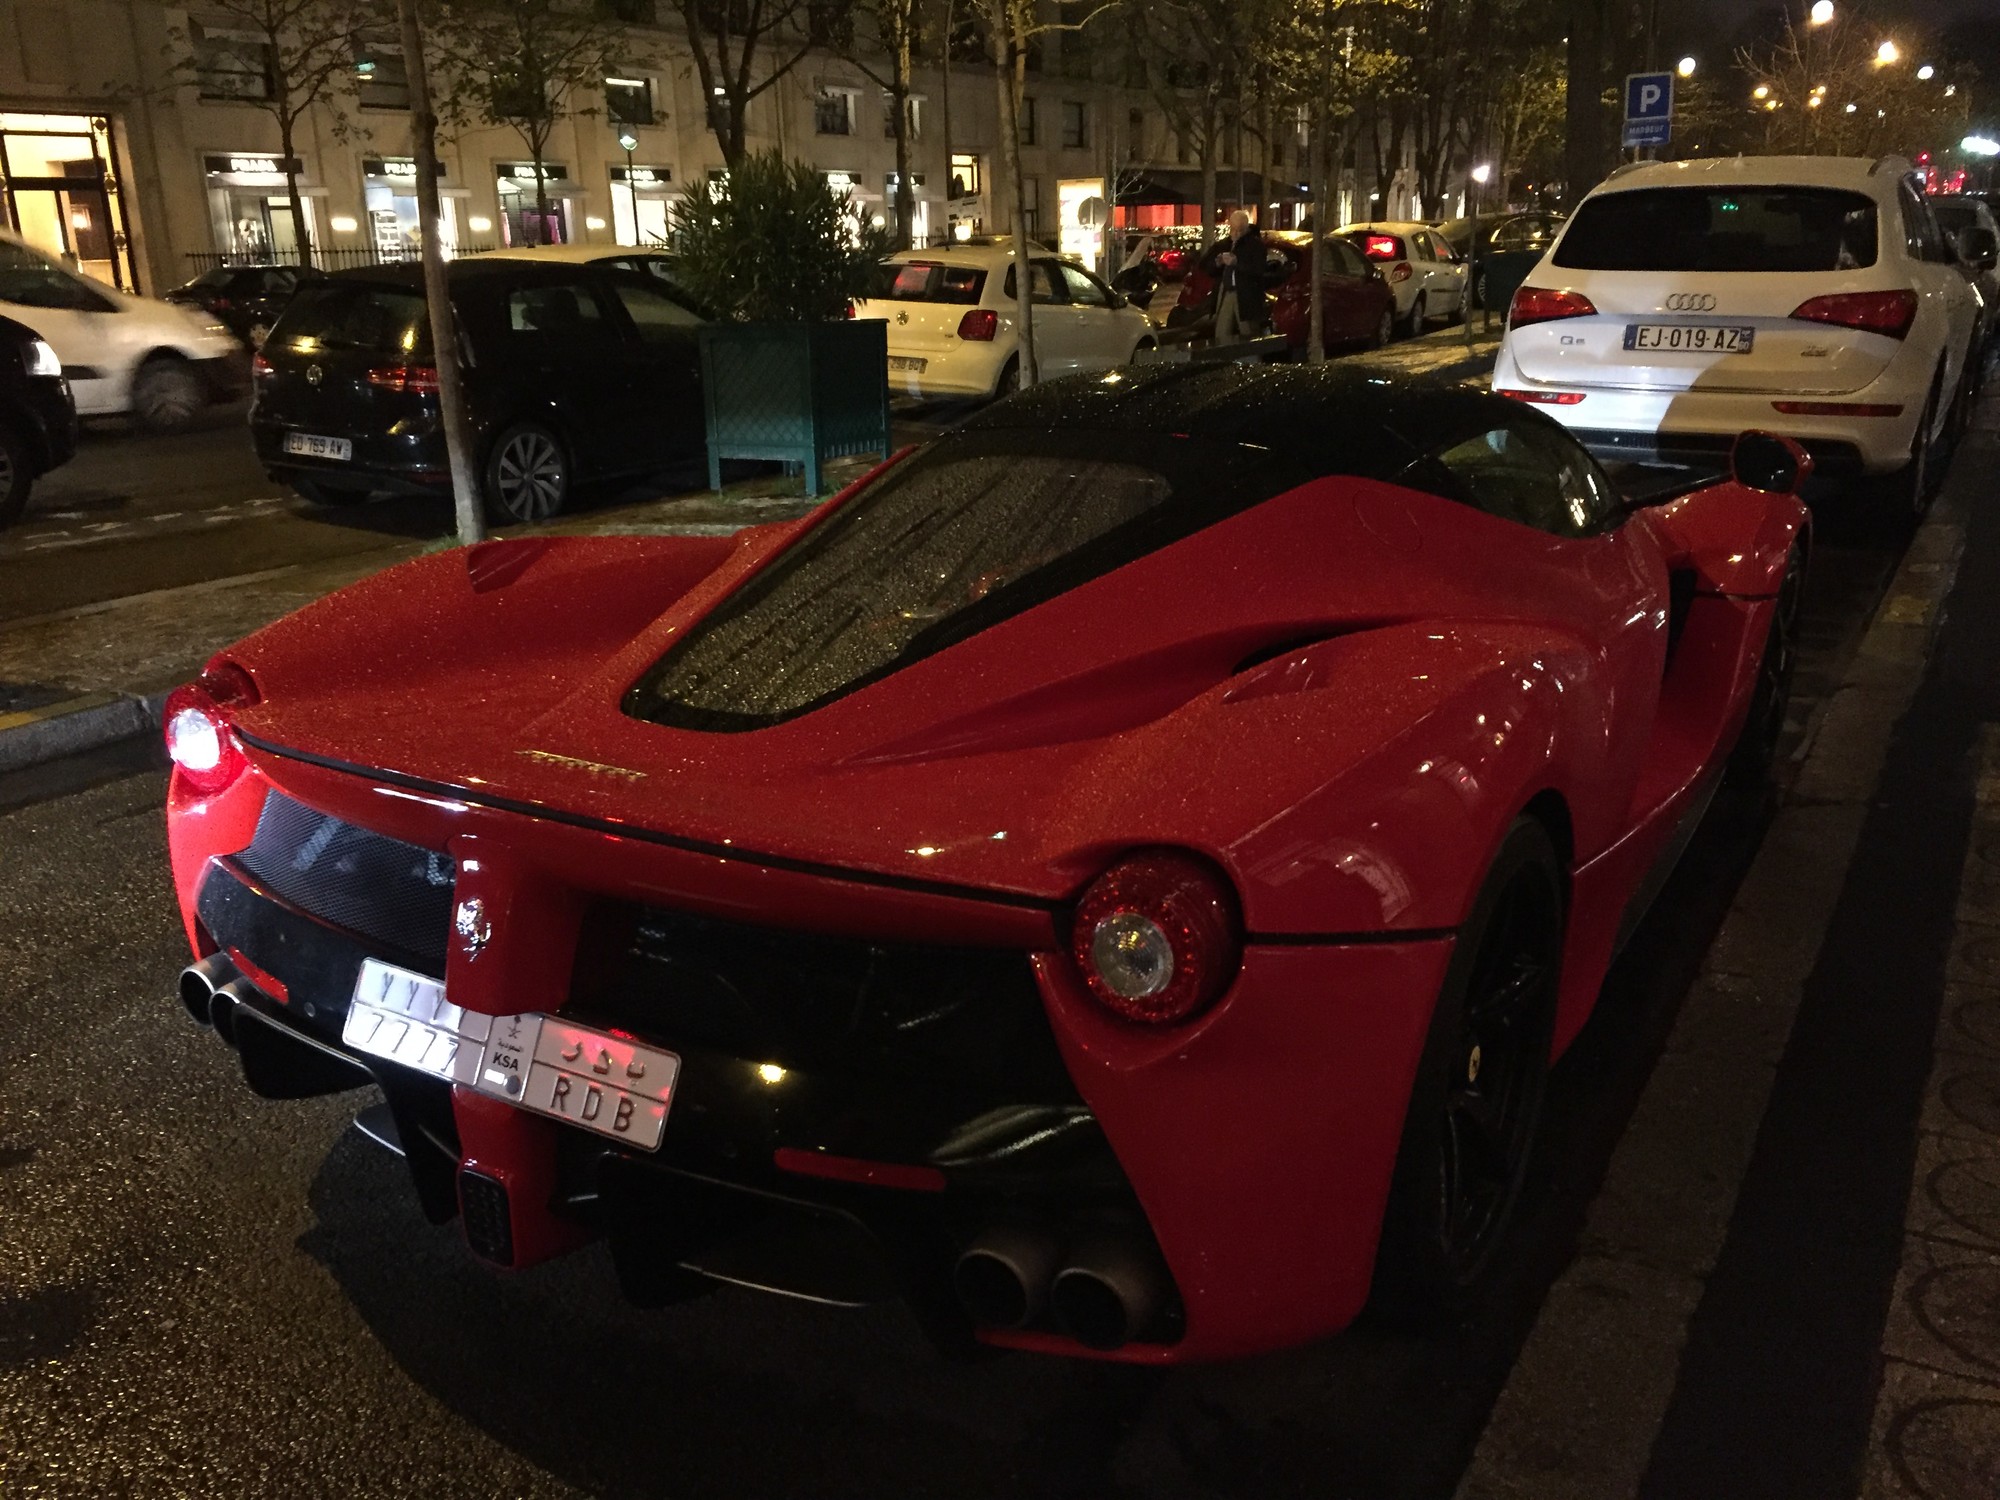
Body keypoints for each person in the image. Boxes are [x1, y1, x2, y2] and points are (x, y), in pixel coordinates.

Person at [1209, 210, 1267, 344]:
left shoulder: (1255, 245)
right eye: (1233, 229)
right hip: (1228, 290)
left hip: (1246, 294)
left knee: (1248, 333)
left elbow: (1258, 270)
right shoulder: (1227, 243)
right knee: (1222, 331)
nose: (1235, 233)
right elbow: (1209, 267)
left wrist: (1237, 263)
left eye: (1239, 230)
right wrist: (1218, 263)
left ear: (1246, 228)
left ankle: (1251, 355)